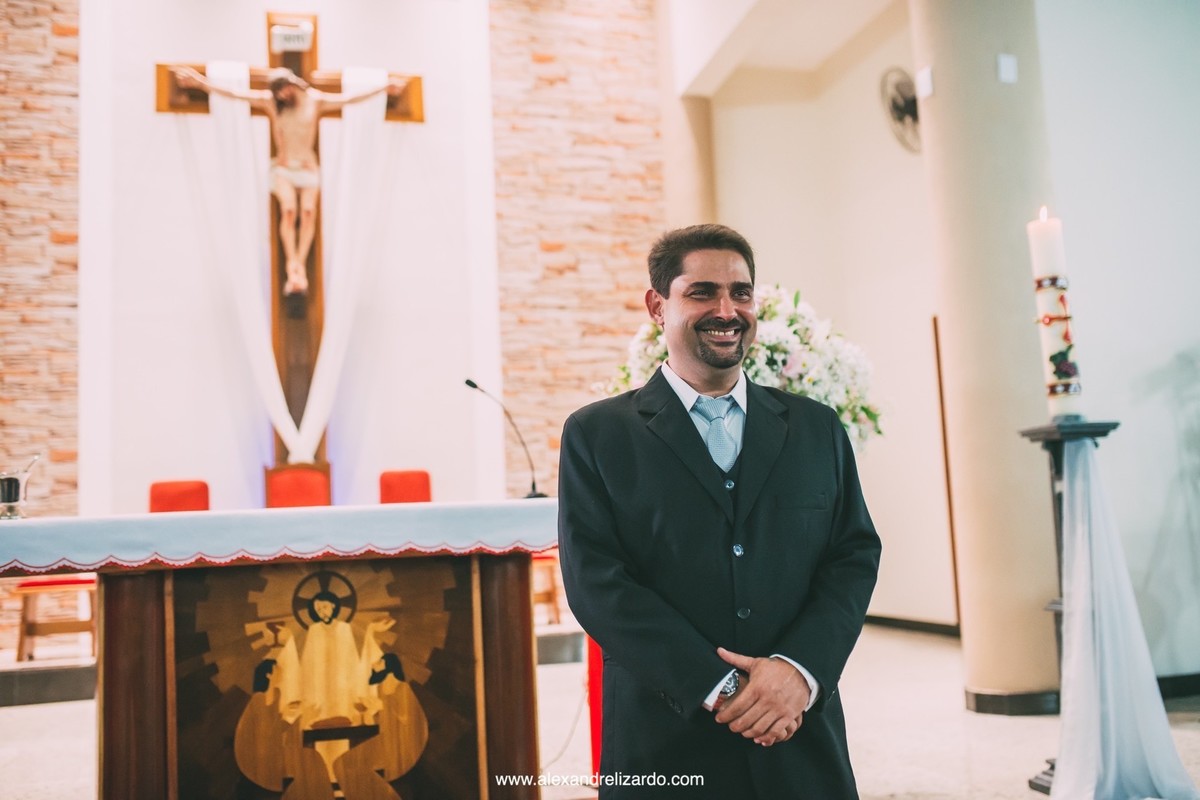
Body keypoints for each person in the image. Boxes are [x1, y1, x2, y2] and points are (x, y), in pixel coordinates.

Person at [558, 224, 881, 798]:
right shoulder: (597, 434)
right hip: (666, 741)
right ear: (658, 306)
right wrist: (722, 688)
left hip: (798, 737)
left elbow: (852, 555)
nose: (727, 310)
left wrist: (798, 673)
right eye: (702, 292)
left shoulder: (815, 428)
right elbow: (598, 583)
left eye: (742, 292)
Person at [172, 65, 406, 297]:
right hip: (284, 168)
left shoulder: (315, 100)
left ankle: (298, 263)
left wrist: (383, 88)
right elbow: (235, 94)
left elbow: (350, 99)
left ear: (292, 83)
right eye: (278, 93)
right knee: (290, 210)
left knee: (307, 213)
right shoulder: (271, 102)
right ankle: (292, 264)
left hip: (307, 166)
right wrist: (200, 83)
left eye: (284, 89)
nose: (282, 96)